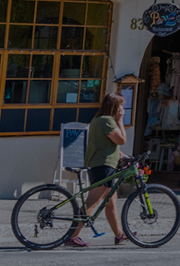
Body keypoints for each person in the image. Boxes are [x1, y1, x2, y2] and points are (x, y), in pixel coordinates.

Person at [66, 93, 129, 247]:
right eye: (120, 105)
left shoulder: (98, 119)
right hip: (103, 167)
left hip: (103, 165)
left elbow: (103, 143)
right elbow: (121, 139)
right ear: (114, 107)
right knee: (92, 202)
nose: (122, 108)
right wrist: (120, 120)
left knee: (111, 202)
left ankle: (119, 235)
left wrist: (120, 154)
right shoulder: (107, 121)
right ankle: (73, 236)